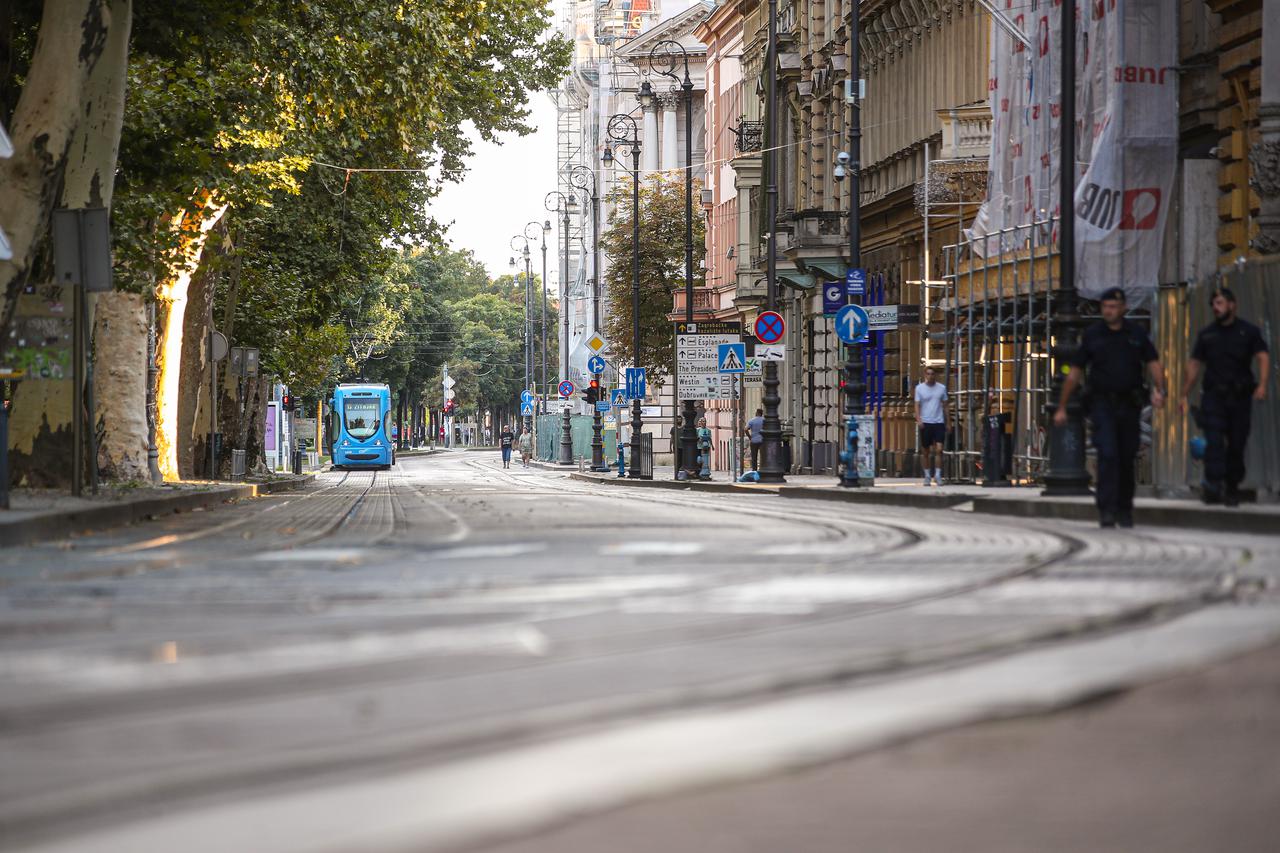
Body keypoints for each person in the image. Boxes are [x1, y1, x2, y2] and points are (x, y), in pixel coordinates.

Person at [1054, 287, 1167, 528]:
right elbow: (1075, 372)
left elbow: (1153, 363)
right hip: (1102, 404)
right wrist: (1062, 405)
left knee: (1126, 457)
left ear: (1123, 308)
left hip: (1129, 404)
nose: (1108, 311)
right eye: (1105, 307)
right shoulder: (1093, 335)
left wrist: (1160, 390)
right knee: (1107, 455)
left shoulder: (1135, 333)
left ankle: (1124, 509)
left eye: (1113, 307)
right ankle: (1106, 509)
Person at [1181, 287, 1270, 506]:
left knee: (1237, 443)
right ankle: (1213, 484)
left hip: (1239, 397)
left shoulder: (1248, 331)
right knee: (1214, 441)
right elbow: (1195, 364)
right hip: (1214, 397)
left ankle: (1231, 486)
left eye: (1220, 303)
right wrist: (1184, 393)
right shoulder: (1207, 334)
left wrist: (1263, 384)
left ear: (1232, 305)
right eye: (1213, 304)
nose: (1216, 308)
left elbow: (1262, 356)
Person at [914, 366, 948, 486]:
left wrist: (948, 422)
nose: (930, 376)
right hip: (926, 422)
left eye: (932, 374)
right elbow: (917, 405)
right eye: (928, 374)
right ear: (925, 375)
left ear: (935, 375)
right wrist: (919, 420)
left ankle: (938, 475)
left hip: (939, 422)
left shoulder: (941, 388)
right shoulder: (919, 388)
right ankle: (927, 475)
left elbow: (945, 406)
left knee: (939, 449)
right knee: (926, 452)